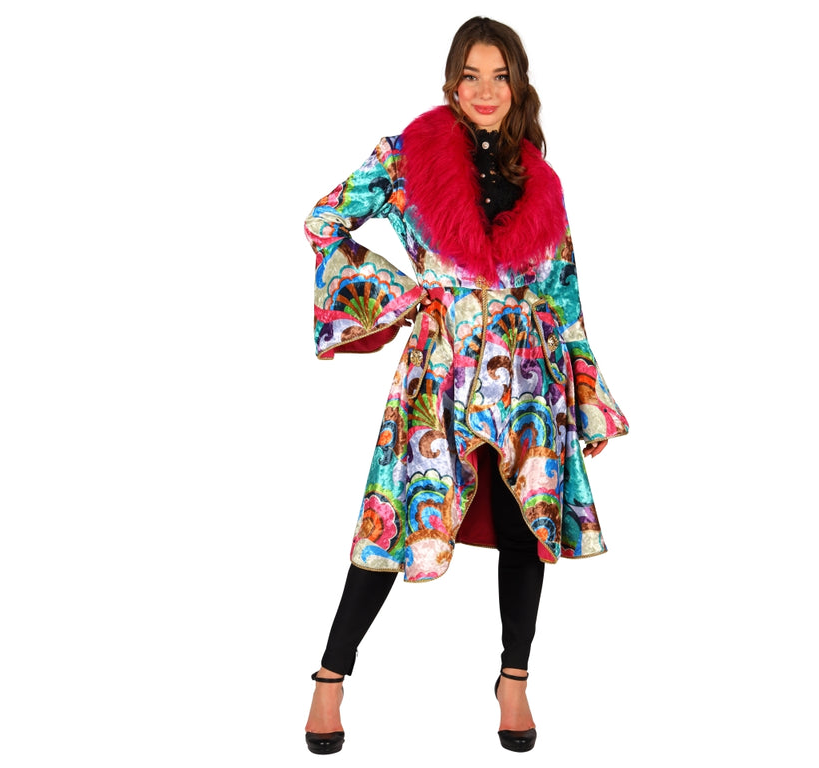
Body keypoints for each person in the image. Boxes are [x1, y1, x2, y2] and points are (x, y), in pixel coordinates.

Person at [302, 16, 628, 755]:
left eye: (500, 76)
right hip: (440, 379)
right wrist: (398, 296)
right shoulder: (406, 157)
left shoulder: (538, 178)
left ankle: (514, 679)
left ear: (518, 85)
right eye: (471, 76)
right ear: (451, 83)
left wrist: (588, 403)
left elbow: (564, 299)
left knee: (524, 528)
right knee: (392, 518)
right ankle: (330, 676)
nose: (486, 91)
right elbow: (324, 221)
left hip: (531, 384)